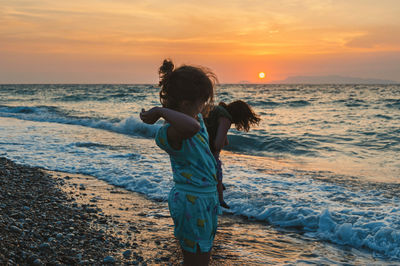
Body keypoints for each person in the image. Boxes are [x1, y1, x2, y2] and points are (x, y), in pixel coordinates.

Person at [140, 59, 219, 266]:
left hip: (205, 199)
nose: (204, 106)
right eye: (201, 102)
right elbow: (191, 128)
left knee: (202, 254)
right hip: (191, 201)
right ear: (185, 104)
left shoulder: (196, 120)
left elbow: (197, 130)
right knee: (196, 259)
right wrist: (159, 111)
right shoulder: (169, 133)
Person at [205, 100, 261, 209]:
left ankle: (216, 187)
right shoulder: (225, 118)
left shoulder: (218, 110)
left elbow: (223, 140)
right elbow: (217, 145)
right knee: (217, 166)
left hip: (194, 142)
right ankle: (221, 202)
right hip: (206, 151)